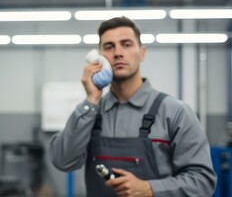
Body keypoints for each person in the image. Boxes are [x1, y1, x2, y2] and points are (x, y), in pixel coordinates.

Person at [49, 16, 216, 197]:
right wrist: (91, 101)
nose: (118, 53)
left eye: (126, 44)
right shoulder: (90, 114)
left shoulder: (175, 112)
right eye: (109, 46)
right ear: (98, 58)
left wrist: (150, 189)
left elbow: (202, 181)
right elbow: (62, 161)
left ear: (142, 53)